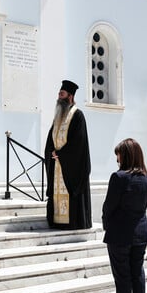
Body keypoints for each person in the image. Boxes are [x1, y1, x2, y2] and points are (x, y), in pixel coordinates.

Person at [102, 138, 147, 293]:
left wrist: (108, 226)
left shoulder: (119, 177)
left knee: (122, 277)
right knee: (137, 274)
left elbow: (108, 207)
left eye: (119, 154)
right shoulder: (146, 178)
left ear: (126, 155)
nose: (117, 158)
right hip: (140, 232)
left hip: (120, 235)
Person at [44, 80, 92, 230]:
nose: (59, 97)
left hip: (69, 165)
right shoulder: (58, 117)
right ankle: (57, 220)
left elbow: (79, 142)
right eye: (59, 94)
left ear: (70, 97)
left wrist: (61, 154)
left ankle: (73, 222)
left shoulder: (77, 115)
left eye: (62, 94)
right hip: (57, 163)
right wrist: (51, 152)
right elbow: (51, 137)